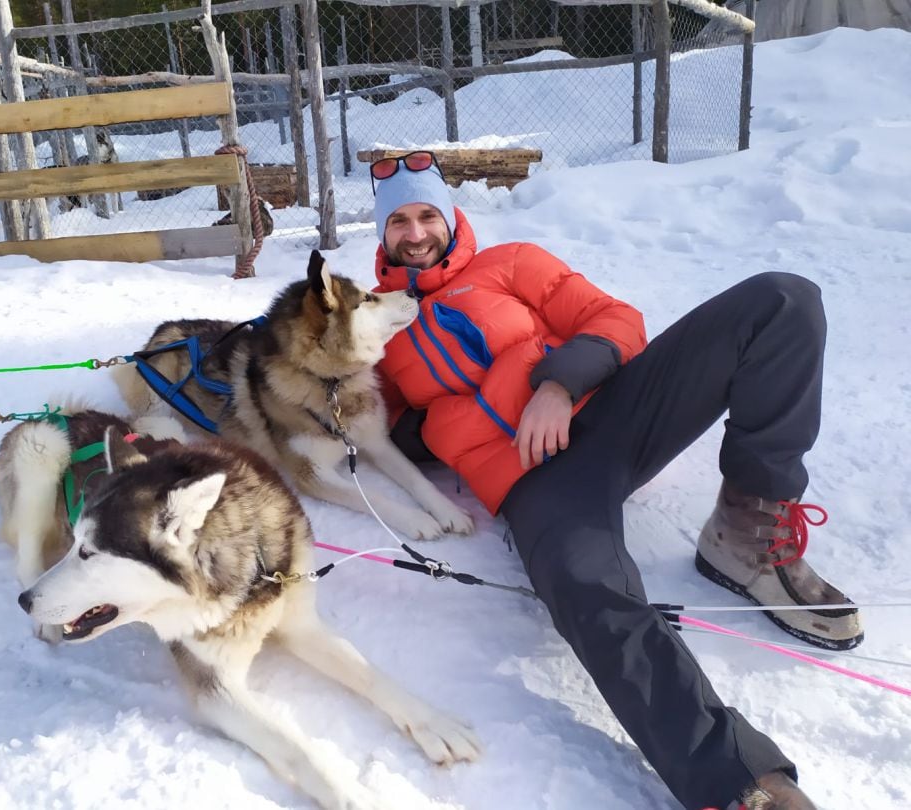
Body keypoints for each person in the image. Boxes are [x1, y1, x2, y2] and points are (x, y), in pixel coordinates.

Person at [368, 150, 863, 810]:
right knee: (586, 587)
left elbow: (616, 321)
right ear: (382, 233)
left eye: (427, 213)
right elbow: (352, 414)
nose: (416, 232)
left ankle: (746, 531)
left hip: (616, 411)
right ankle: (742, 785)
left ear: (450, 217)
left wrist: (555, 384)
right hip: (538, 482)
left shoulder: (509, 263)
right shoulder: (372, 325)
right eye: (398, 220)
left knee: (781, 301)